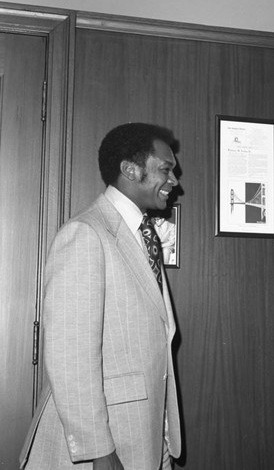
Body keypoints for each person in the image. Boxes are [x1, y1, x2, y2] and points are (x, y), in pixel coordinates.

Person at [20, 123, 182, 469]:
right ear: (130, 169)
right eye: (165, 170)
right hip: (103, 448)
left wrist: (164, 438)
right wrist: (100, 452)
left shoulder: (142, 233)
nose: (174, 182)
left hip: (144, 436)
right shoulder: (85, 234)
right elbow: (71, 359)